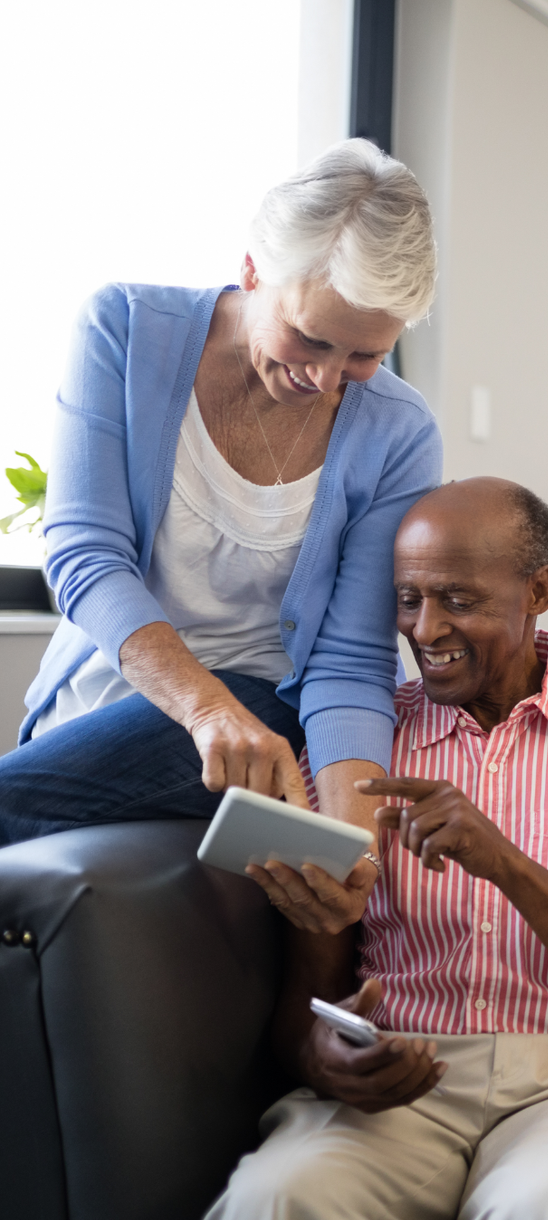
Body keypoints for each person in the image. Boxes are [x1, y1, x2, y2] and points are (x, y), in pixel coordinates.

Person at [188, 479, 548, 1220]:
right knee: (272, 1207)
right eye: (408, 599)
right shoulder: (363, 740)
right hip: (404, 1077)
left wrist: (505, 863)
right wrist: (324, 1056)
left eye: (458, 599)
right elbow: (310, 999)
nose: (425, 630)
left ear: (539, 591)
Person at [1, 138, 442, 856]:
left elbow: (350, 659)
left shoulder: (401, 431)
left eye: (366, 356)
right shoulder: (125, 327)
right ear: (252, 271)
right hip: (116, 714)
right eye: (309, 338)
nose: (327, 379)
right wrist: (206, 708)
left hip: (267, 732)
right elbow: (85, 555)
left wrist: (351, 847)